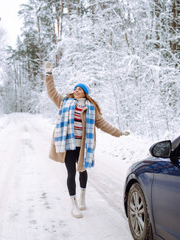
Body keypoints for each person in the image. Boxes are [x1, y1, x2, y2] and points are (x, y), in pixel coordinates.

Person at [44, 62, 130, 219]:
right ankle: (74, 204)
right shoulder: (64, 102)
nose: (76, 91)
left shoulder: (91, 109)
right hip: (69, 145)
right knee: (71, 173)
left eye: (80, 89)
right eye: (75, 89)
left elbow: (103, 124)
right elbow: (51, 91)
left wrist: (119, 132)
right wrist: (49, 74)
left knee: (82, 170)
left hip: (83, 146)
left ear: (85, 94)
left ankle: (83, 197)